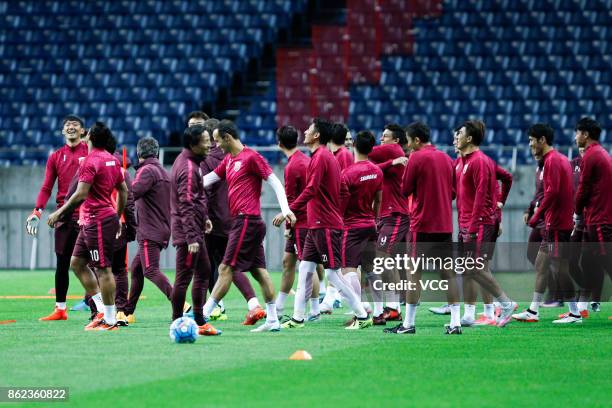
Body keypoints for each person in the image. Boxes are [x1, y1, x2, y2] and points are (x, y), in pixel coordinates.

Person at [202, 120, 296, 332]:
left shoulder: (251, 157)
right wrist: (185, 183)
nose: (216, 145)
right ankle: (273, 320)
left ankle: (202, 317)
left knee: (225, 268)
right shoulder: (228, 160)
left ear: (227, 137)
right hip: (246, 222)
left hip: (246, 221)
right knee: (259, 272)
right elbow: (209, 179)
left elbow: (274, 182)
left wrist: (285, 209)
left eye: (217, 141)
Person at [279, 118, 371, 330]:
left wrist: (289, 211)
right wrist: (335, 212)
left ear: (317, 135)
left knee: (331, 273)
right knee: (304, 268)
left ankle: (361, 314)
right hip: (317, 224)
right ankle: (298, 318)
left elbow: (311, 189)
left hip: (324, 224)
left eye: (309, 129)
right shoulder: (327, 157)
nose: (305, 131)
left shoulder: (320, 157)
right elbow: (344, 192)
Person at [46, 121, 128, 330]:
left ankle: (110, 320)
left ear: (90, 138)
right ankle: (102, 309)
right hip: (97, 219)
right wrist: (117, 216)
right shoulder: (112, 159)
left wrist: (59, 213)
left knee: (103, 269)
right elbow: (124, 190)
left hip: (96, 220)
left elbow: (80, 194)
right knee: (76, 263)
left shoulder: (90, 161)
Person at [384, 121, 460, 334]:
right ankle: (456, 323)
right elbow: (453, 192)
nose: (407, 146)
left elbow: (405, 189)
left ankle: (408, 324)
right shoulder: (447, 158)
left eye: (408, 141)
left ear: (416, 139)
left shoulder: (416, 158)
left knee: (413, 274)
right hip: (444, 224)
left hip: (421, 224)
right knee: (448, 274)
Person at [197, 118, 265, 325]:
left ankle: (210, 310)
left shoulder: (209, 159)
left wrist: (203, 216)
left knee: (217, 265)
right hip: (237, 219)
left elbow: (204, 190)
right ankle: (261, 308)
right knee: (245, 267)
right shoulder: (230, 157)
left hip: (218, 221)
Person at [512, 123, 581, 324]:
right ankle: (533, 310)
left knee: (560, 268)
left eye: (532, 140)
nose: (530, 144)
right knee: (542, 265)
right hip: (556, 223)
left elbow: (552, 193)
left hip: (557, 224)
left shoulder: (551, 161)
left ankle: (575, 312)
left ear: (542, 140)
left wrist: (536, 217)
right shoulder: (559, 159)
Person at [453, 120, 517, 328]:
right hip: (466, 222)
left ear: (469, 138)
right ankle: (472, 313)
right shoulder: (462, 161)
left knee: (476, 267)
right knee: (468, 269)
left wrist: (473, 226)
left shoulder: (479, 161)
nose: (456, 137)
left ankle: (505, 304)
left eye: (459, 133)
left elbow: (481, 197)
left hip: (478, 224)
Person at [26, 115, 89, 321]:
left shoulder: (89, 153)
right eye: (67, 125)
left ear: (82, 131)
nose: (70, 128)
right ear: (63, 131)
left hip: (88, 214)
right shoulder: (55, 157)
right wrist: (37, 212)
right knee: (62, 263)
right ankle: (60, 309)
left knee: (95, 263)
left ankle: (98, 307)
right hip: (64, 215)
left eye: (75, 125)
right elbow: (46, 187)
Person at [170, 125, 220, 335]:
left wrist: (205, 218)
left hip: (194, 230)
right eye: (206, 140)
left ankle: (199, 321)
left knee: (204, 271)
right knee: (184, 277)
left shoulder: (192, 163)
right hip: (188, 234)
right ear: (193, 144)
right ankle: (178, 323)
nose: (210, 144)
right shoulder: (189, 168)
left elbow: (196, 199)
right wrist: (191, 237)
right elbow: (186, 204)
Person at [123, 136, 174, 323]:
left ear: (138, 153)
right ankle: (128, 311)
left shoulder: (147, 171)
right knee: (137, 270)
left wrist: (121, 179)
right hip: (160, 228)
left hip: (149, 230)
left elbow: (131, 194)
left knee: (150, 270)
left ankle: (178, 301)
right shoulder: (162, 171)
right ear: (157, 152)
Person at [274, 125, 321, 320]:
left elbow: (294, 199)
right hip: (299, 221)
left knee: (307, 265)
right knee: (288, 262)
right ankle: (278, 307)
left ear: (279, 143)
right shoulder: (303, 160)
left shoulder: (293, 166)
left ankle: (315, 310)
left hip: (302, 222)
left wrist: (287, 222)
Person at [366, 123, 410, 322]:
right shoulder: (391, 155)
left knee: (382, 257)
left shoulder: (392, 150)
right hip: (389, 214)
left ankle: (394, 306)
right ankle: (394, 305)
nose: (381, 139)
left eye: (385, 136)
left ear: (396, 140)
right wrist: (390, 164)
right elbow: (375, 169)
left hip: (396, 214)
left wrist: (390, 163)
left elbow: (364, 155)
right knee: (388, 261)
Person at [339, 130, 382, 325]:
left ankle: (359, 313)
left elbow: (342, 204)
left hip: (351, 227)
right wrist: (374, 219)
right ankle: (379, 312)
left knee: (348, 270)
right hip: (370, 224)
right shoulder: (377, 171)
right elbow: (378, 200)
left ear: (354, 146)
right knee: (371, 270)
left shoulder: (347, 173)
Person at [574, 117, 612, 314]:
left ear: (585, 134)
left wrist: (576, 211)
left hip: (599, 220)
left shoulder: (591, 155)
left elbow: (583, 189)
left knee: (607, 262)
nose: (575, 137)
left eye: (577, 133)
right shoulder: (601, 153)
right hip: (599, 217)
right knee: (588, 261)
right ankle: (580, 308)